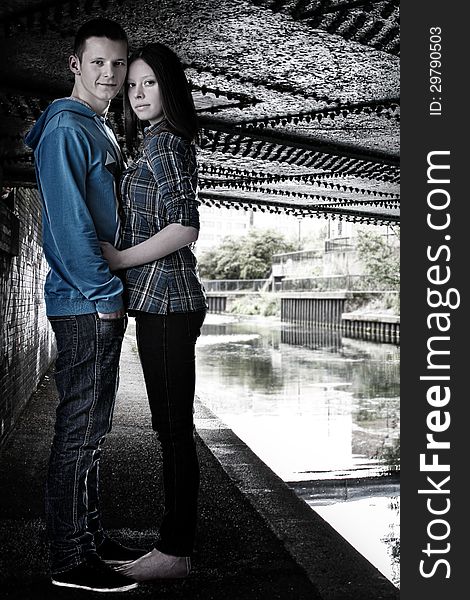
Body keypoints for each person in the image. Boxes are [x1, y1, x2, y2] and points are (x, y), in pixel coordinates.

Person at [25, 18, 145, 593]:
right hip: (83, 302)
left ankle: (92, 537)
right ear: (75, 64)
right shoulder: (68, 130)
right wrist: (105, 295)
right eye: (98, 62)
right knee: (79, 432)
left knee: (93, 429)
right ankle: (70, 559)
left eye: (118, 64)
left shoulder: (98, 127)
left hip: (90, 300)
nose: (110, 74)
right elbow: (69, 225)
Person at [100, 42, 207, 581]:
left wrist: (118, 259)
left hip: (169, 301)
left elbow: (184, 226)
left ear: (170, 88)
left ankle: (175, 551)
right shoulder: (151, 143)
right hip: (160, 302)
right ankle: (172, 545)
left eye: (150, 84)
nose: (139, 94)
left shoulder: (166, 145)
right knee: (170, 429)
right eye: (133, 85)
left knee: (173, 429)